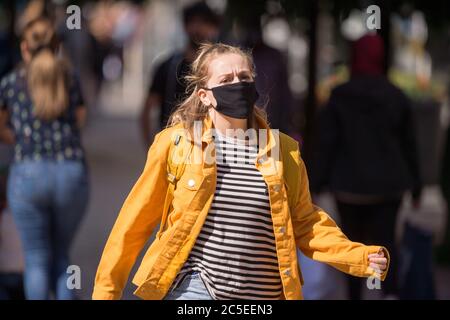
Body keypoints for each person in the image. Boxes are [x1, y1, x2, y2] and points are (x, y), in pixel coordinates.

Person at [93, 43, 389, 300]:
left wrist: (358, 256)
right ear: (205, 95)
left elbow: (306, 222)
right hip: (196, 289)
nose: (238, 83)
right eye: (226, 79)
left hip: (265, 294)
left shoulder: (282, 150)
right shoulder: (179, 144)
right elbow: (134, 223)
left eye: (244, 77)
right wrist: (107, 290)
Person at [310, 34, 422, 300]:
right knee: (386, 243)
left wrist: (314, 184)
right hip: (388, 186)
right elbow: (409, 144)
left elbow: (326, 143)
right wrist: (416, 187)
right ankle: (389, 293)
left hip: (349, 187)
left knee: (352, 246)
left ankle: (354, 294)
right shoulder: (396, 96)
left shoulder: (340, 96)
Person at [0, 17, 89, 300]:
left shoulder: (11, 82)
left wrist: (23, 140)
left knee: (36, 259)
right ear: (57, 45)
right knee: (61, 256)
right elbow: (80, 119)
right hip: (70, 171)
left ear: (25, 47)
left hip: (28, 173)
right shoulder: (70, 77)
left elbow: (1, 126)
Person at [140, 1, 221, 147]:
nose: (198, 28)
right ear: (185, 26)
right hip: (174, 148)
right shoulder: (168, 66)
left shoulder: (222, 68)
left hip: (211, 150)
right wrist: (153, 150)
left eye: (204, 23)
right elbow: (148, 109)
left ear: (213, 27)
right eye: (193, 22)